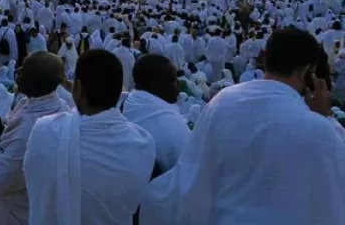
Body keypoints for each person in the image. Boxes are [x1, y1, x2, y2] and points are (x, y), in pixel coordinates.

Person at [140, 28, 345, 225]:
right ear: (308, 72)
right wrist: (326, 117)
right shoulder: (320, 129)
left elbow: (193, 177)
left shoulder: (223, 101)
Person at [24, 49, 156, 225]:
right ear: (118, 91)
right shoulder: (143, 143)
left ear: (77, 88)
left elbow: (35, 184)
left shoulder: (45, 129)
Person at [0, 51, 70, 225]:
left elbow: (0, 179)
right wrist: (1, 129)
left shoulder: (30, 126)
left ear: (34, 81)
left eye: (24, 69)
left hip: (18, 214)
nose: (18, 70)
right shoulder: (58, 106)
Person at [121, 54, 190, 174]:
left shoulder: (125, 104)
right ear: (155, 84)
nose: (177, 85)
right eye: (173, 80)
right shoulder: (174, 129)